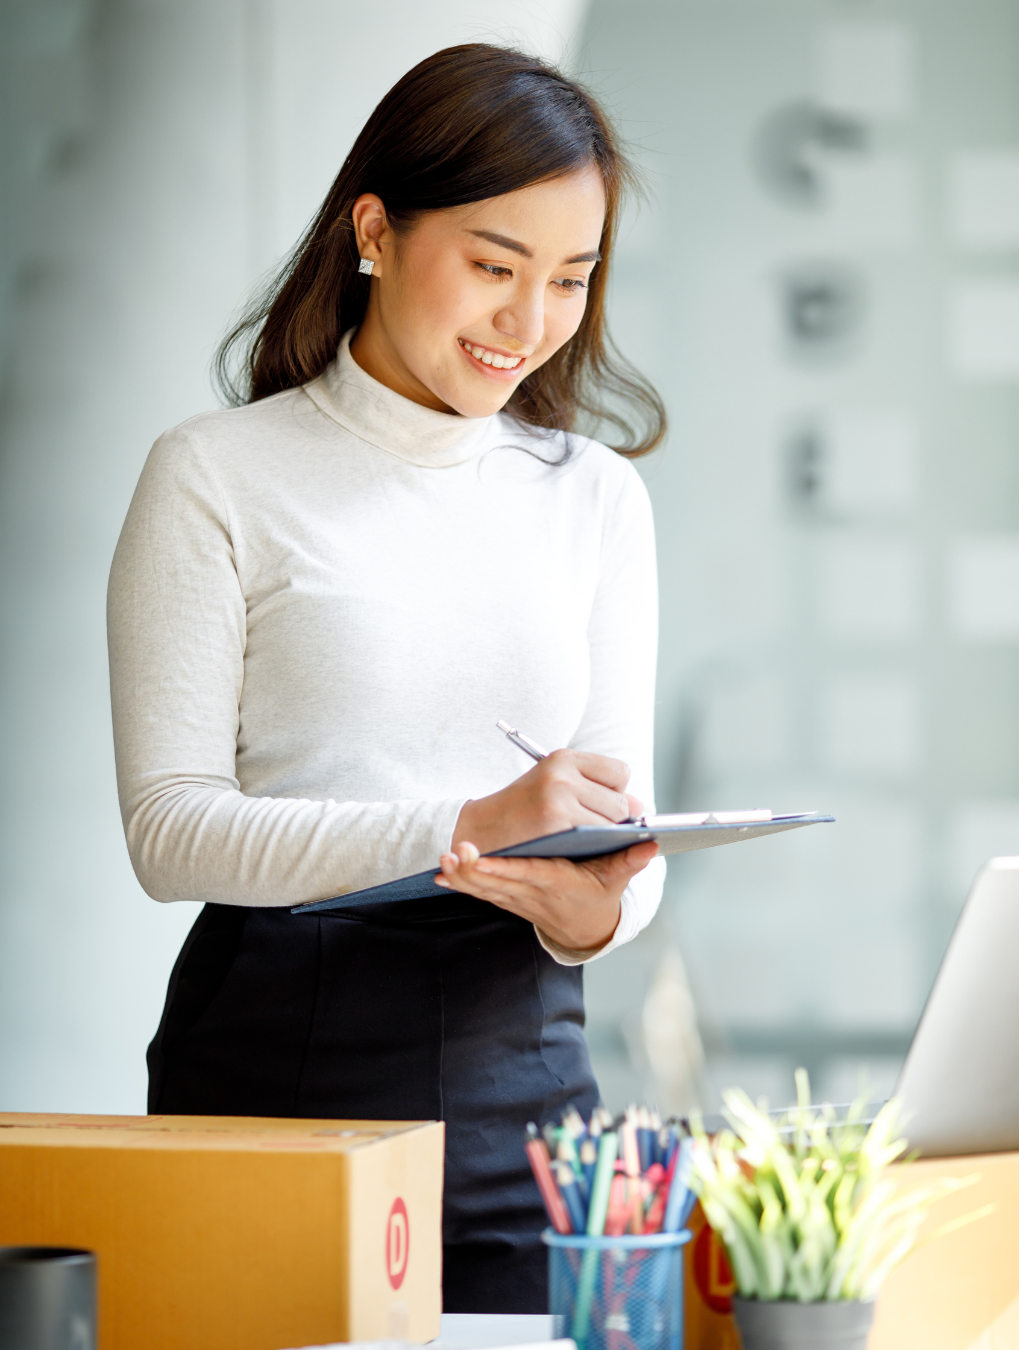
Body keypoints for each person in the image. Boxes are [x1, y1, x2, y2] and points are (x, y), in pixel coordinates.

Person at [107, 43, 666, 1312]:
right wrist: (461, 829)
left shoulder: (596, 500)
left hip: (529, 1087)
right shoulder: (215, 475)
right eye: (493, 266)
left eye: (570, 279)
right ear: (374, 229)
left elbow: (623, 830)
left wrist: (605, 912)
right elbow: (167, 830)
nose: (530, 325)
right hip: (274, 1082)